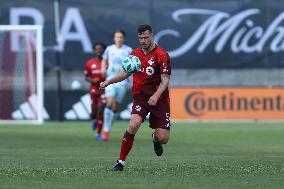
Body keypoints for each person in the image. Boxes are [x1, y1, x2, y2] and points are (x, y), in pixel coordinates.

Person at [100, 24, 171, 171]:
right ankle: (120, 162)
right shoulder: (134, 55)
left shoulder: (162, 54)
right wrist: (108, 81)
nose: (143, 40)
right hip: (141, 97)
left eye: (146, 37)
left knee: (163, 138)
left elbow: (165, 80)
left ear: (152, 36)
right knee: (134, 124)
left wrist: (156, 95)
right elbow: (123, 74)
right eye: (140, 38)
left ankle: (155, 139)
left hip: (160, 99)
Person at [101, 30, 132, 141]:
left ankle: (109, 126)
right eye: (116, 37)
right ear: (114, 38)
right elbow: (104, 60)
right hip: (110, 79)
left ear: (123, 38)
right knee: (110, 102)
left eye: (120, 37)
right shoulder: (109, 49)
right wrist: (103, 68)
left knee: (115, 108)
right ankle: (106, 130)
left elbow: (132, 65)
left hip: (123, 81)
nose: (118, 39)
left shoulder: (128, 50)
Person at [84, 42, 106, 141]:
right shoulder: (89, 63)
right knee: (94, 111)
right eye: (97, 49)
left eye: (100, 49)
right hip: (93, 89)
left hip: (104, 90)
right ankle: (94, 119)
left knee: (100, 109)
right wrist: (92, 80)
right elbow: (86, 77)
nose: (99, 51)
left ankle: (98, 134)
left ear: (103, 50)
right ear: (94, 50)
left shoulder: (106, 63)